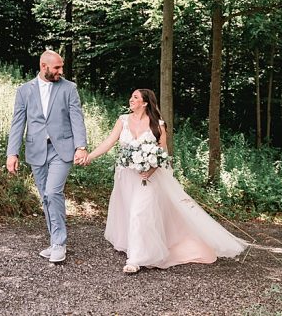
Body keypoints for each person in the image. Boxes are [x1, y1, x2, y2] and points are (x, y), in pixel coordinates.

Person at [86, 89, 248, 273]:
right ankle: (135, 245)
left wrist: (151, 169)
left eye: (135, 97)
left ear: (145, 102)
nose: (131, 99)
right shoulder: (123, 120)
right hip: (126, 176)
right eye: (131, 96)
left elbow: (163, 154)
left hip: (148, 178)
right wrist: (89, 157)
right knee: (129, 211)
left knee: (140, 213)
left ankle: (136, 259)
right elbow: (108, 142)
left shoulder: (158, 125)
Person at [6, 50, 88, 263]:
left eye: (61, 67)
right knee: (45, 197)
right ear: (44, 67)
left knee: (53, 192)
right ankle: (55, 241)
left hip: (62, 149)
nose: (61, 71)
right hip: (36, 150)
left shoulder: (69, 88)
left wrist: (81, 146)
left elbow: (76, 118)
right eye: (57, 68)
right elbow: (18, 123)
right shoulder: (24, 90)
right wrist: (12, 153)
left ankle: (60, 243)